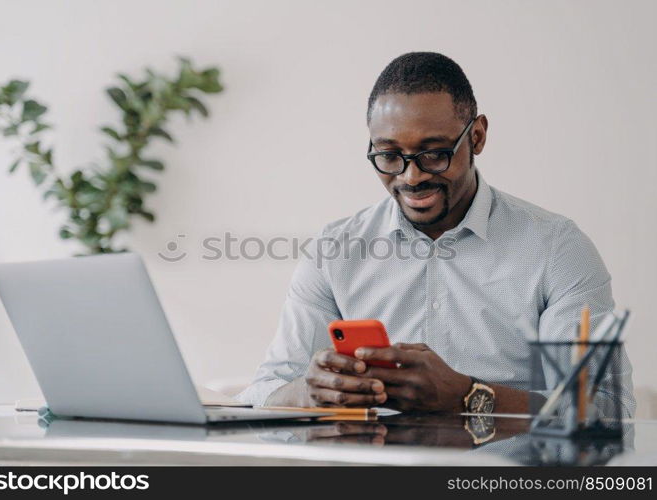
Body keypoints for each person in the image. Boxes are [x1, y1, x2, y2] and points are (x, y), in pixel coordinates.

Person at [237, 52, 635, 416]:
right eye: (389, 156)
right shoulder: (334, 250)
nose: (411, 177)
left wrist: (468, 396)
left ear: (476, 136)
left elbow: (603, 409)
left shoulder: (556, 249)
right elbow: (265, 389)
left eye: (434, 153)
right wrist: (312, 391)